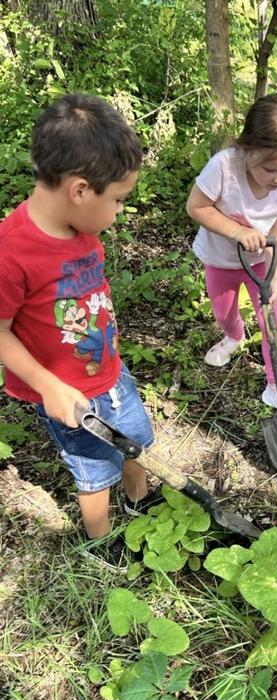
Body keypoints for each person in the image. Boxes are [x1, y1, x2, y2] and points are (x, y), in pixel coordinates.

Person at [0, 93, 161, 569]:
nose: (120, 211)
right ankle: (102, 542)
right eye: (118, 200)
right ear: (80, 190)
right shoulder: (12, 251)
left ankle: (141, 502)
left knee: (136, 442)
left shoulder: (82, 230)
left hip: (112, 374)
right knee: (95, 471)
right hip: (71, 398)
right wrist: (48, 384)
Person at [186, 92, 277, 411]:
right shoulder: (224, 167)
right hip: (221, 261)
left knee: (274, 324)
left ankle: (276, 386)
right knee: (224, 313)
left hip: (261, 265)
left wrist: (276, 277)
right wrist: (238, 232)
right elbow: (196, 206)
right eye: (270, 169)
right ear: (247, 148)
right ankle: (234, 337)